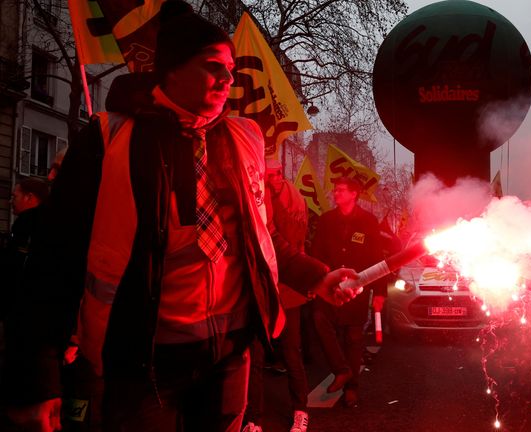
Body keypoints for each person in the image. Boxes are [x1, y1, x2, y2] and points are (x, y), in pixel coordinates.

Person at [0, 2, 358, 431]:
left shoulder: (243, 138)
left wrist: (316, 275)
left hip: (229, 357)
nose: (228, 79)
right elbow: (54, 259)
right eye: (213, 67)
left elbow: (260, 238)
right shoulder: (107, 138)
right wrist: (39, 377)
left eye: (230, 68)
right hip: (142, 364)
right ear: (171, 67)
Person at [244, 159, 312, 432]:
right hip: (271, 287)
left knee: (286, 352)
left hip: (280, 288)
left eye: (274, 174)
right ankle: (254, 418)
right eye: (267, 173)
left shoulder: (283, 199)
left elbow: (280, 241)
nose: (270, 178)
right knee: (258, 355)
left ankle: (296, 411)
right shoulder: (289, 196)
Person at [310, 176, 387, 408]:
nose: (336, 193)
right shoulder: (326, 220)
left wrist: (380, 293)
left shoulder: (368, 221)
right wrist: (318, 280)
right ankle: (341, 370)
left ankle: (351, 388)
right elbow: (316, 252)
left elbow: (377, 257)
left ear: (354, 194)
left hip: (357, 288)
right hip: (330, 286)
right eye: (335, 190)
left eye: (341, 190)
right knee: (320, 321)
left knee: (353, 338)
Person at [1, 178, 49, 321]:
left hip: (20, 311)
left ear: (29, 197)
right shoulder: (43, 222)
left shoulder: (27, 224)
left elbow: (15, 267)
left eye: (14, 196)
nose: (11, 202)